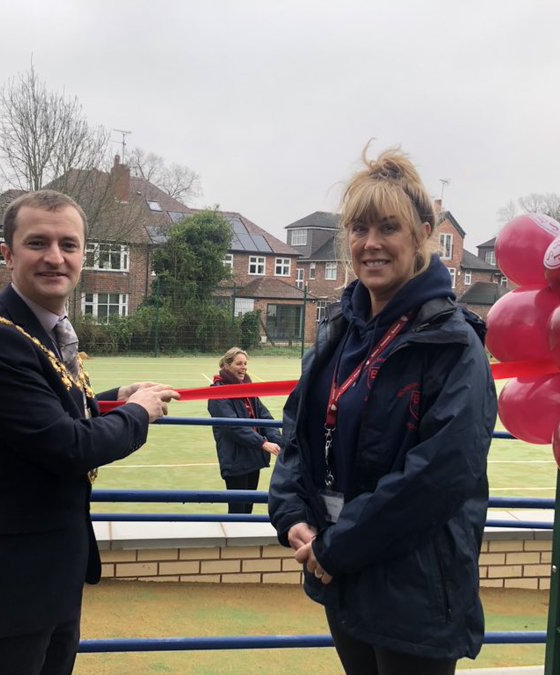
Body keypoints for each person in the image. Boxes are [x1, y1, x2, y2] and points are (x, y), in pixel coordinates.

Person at [268, 147, 497, 675]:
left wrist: (337, 547)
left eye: (388, 228)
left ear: (422, 233)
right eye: (359, 228)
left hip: (413, 592)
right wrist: (292, 514)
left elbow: (440, 476)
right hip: (342, 575)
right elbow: (299, 431)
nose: (370, 244)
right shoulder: (339, 332)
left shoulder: (454, 344)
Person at [0, 189, 179, 675]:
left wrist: (111, 397)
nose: (55, 257)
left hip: (48, 586)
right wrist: (137, 412)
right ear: (7, 254)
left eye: (69, 244)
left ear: (84, 255)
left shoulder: (40, 331)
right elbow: (67, 446)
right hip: (1, 601)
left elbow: (52, 406)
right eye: (37, 243)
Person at [208, 347, 282, 514]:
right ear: (226, 365)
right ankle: (234, 540)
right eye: (238, 363)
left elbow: (264, 417)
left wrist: (280, 441)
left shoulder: (247, 388)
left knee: (248, 507)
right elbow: (233, 426)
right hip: (235, 460)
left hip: (253, 457)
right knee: (237, 510)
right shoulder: (218, 392)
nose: (243, 367)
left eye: (245, 364)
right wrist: (263, 443)